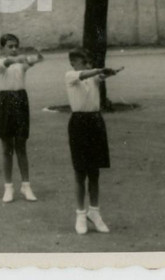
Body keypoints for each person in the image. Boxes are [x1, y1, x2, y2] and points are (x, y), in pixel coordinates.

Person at [66, 48, 124, 235]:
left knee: (95, 171)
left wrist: (109, 73)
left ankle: (95, 212)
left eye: (89, 62)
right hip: (79, 124)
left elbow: (99, 76)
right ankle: (80, 214)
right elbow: (85, 74)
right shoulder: (70, 76)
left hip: (95, 122)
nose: (88, 65)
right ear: (74, 63)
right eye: (84, 62)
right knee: (80, 172)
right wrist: (99, 70)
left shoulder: (93, 77)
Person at [0, 33, 43, 203]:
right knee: (7, 146)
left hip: (21, 101)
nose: (14, 49)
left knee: (21, 145)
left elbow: (38, 59)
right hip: (5, 102)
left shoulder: (22, 65)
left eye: (16, 46)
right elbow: (9, 62)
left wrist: (37, 54)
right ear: (2, 49)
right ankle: (8, 187)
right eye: (10, 46)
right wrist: (22, 58)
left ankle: (26, 185)